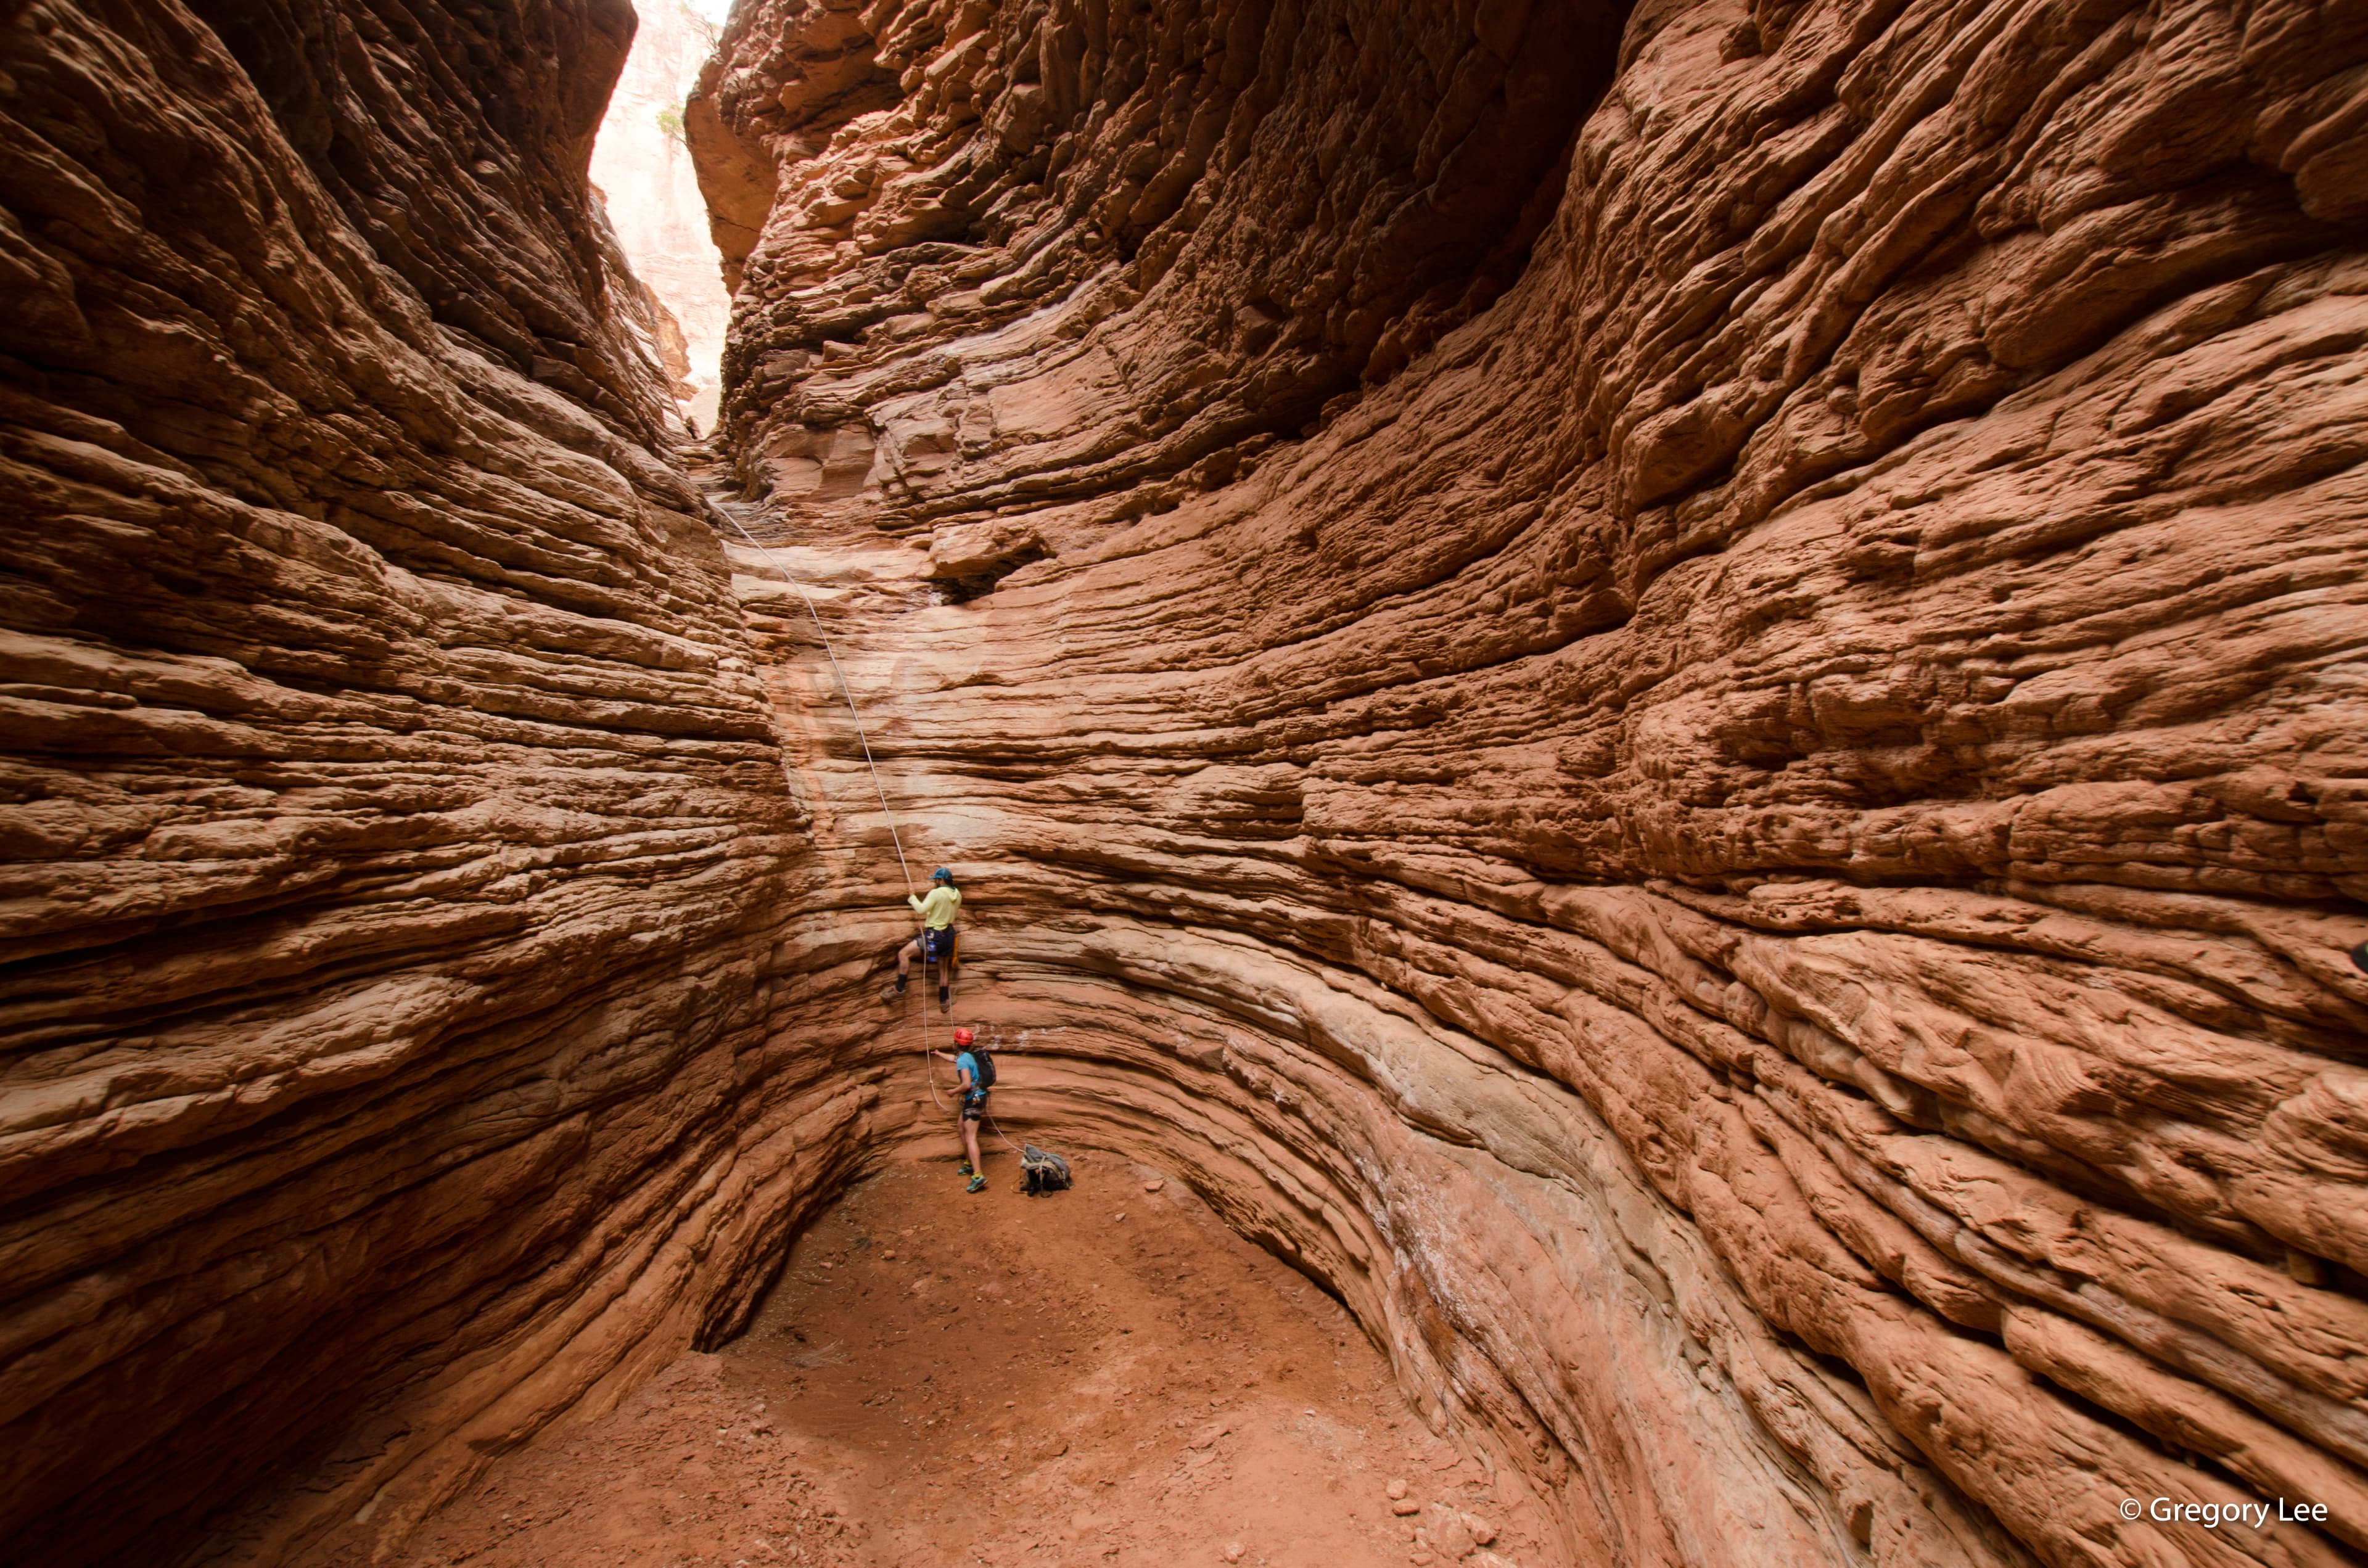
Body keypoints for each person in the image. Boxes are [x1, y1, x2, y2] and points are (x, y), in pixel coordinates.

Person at [892, 866, 961, 1011]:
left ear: (941, 880)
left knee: (903, 954)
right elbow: (942, 911)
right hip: (949, 936)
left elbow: (921, 910)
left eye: (936, 880)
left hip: (934, 937)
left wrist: (912, 897)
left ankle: (899, 989)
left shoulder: (936, 893)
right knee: (943, 970)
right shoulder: (958, 895)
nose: (935, 882)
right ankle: (944, 1002)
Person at [933, 1027, 990, 1193]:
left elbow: (966, 1084)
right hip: (976, 1098)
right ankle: (968, 1164)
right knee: (961, 1128)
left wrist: (953, 1092)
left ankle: (978, 1175)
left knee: (971, 1137)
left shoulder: (964, 1060)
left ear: (956, 1043)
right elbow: (954, 1059)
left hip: (973, 1100)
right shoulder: (967, 1056)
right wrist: (938, 1054)